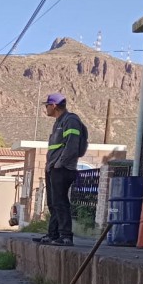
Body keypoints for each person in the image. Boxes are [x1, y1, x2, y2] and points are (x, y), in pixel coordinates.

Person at [32, 93, 88, 247]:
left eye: (47, 105)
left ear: (54, 105)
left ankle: (65, 236)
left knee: (61, 202)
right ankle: (53, 235)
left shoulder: (71, 120)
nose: (46, 108)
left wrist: (60, 164)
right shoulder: (58, 122)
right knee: (53, 203)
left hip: (62, 169)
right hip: (53, 168)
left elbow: (72, 145)